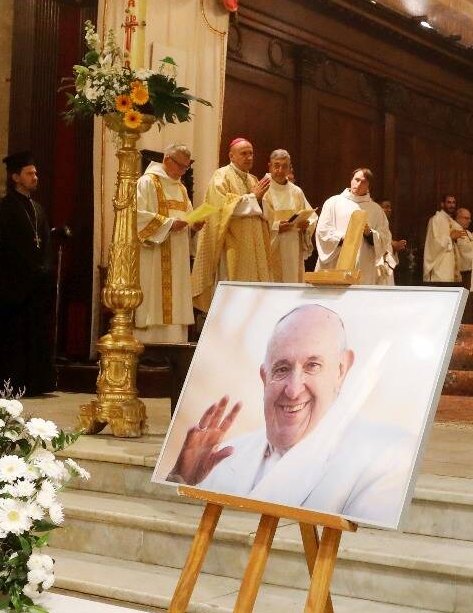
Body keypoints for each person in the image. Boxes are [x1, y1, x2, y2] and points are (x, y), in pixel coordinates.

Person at [167, 303, 417, 524]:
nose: (293, 390)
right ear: (265, 377)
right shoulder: (224, 456)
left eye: (312, 366)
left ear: (342, 369)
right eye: (282, 369)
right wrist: (181, 479)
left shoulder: (389, 456)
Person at [0, 151, 57, 395]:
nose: (35, 177)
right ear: (16, 177)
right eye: (29, 173)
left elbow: (45, 243)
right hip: (14, 287)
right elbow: (6, 247)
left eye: (36, 173)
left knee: (36, 334)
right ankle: (13, 384)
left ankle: (36, 383)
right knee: (15, 336)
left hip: (37, 286)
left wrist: (45, 268)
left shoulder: (38, 209)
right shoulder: (4, 209)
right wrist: (28, 269)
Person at [191, 137, 275, 311]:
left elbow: (266, 210)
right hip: (232, 244)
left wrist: (259, 201)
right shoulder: (221, 176)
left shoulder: (253, 179)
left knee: (252, 297)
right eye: (243, 153)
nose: (249, 157)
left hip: (253, 246)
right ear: (231, 156)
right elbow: (221, 207)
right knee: (232, 294)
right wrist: (253, 198)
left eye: (251, 153)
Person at [134, 144, 195, 344]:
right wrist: (169, 224)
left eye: (186, 167)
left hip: (178, 253)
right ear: (167, 159)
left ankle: (175, 342)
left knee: (177, 296)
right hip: (155, 251)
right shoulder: (147, 182)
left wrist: (195, 223)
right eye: (181, 166)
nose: (183, 171)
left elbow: (189, 214)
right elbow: (137, 216)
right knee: (155, 296)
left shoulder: (181, 188)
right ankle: (150, 343)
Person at [315, 168, 395, 284]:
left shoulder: (376, 210)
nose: (358, 184)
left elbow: (385, 238)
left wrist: (370, 234)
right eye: (356, 180)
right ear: (351, 180)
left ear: (369, 185)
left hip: (364, 264)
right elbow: (322, 231)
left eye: (363, 182)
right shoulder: (333, 203)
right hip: (336, 259)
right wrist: (340, 238)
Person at [263, 149, 315, 283]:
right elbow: (258, 222)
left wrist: (306, 225)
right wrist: (276, 227)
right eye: (276, 165)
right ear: (269, 166)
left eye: (284, 166)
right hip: (273, 247)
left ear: (289, 168)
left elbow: (312, 217)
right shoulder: (263, 190)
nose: (280, 170)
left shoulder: (296, 191)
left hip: (293, 248)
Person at [423, 195, 466, 284]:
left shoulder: (452, 221)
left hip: (451, 266)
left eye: (454, 203)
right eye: (449, 202)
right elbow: (433, 244)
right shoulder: (436, 219)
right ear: (442, 204)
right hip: (440, 267)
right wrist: (450, 238)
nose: (452, 205)